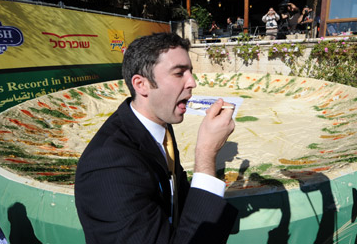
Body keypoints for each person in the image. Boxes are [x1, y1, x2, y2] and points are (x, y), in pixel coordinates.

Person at [75, 33, 238, 244]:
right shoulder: (109, 167)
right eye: (179, 73)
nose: (193, 83)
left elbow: (174, 193)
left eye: (191, 72)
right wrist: (206, 153)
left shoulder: (160, 124)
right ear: (141, 84)